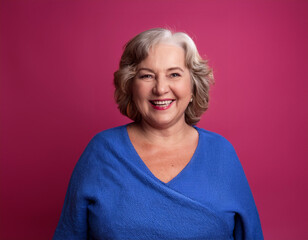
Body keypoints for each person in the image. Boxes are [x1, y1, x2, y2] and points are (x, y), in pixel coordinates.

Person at [53, 28, 263, 239]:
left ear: (193, 86)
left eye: (174, 74)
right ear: (130, 87)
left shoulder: (221, 153)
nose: (161, 88)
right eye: (147, 76)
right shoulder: (101, 152)